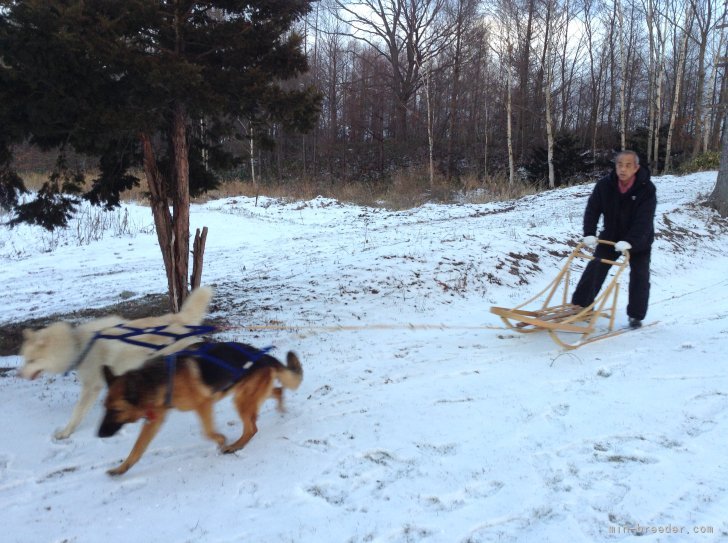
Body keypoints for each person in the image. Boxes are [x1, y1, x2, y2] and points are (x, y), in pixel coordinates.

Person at [571, 150, 657, 329]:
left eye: (628, 165)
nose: (623, 169)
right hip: (611, 236)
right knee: (596, 266)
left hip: (638, 241)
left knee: (639, 276)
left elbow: (644, 220)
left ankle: (636, 315)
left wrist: (631, 241)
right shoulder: (605, 185)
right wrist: (589, 232)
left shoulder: (646, 189)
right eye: (619, 165)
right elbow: (592, 209)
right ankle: (582, 305)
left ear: (636, 168)